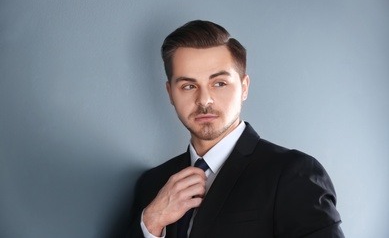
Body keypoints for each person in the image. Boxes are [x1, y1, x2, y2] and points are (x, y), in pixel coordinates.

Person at [127, 20, 344, 237]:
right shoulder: (152, 184)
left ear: (244, 88)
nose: (204, 100)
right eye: (189, 86)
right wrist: (151, 222)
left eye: (219, 83)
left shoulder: (293, 173)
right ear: (170, 93)